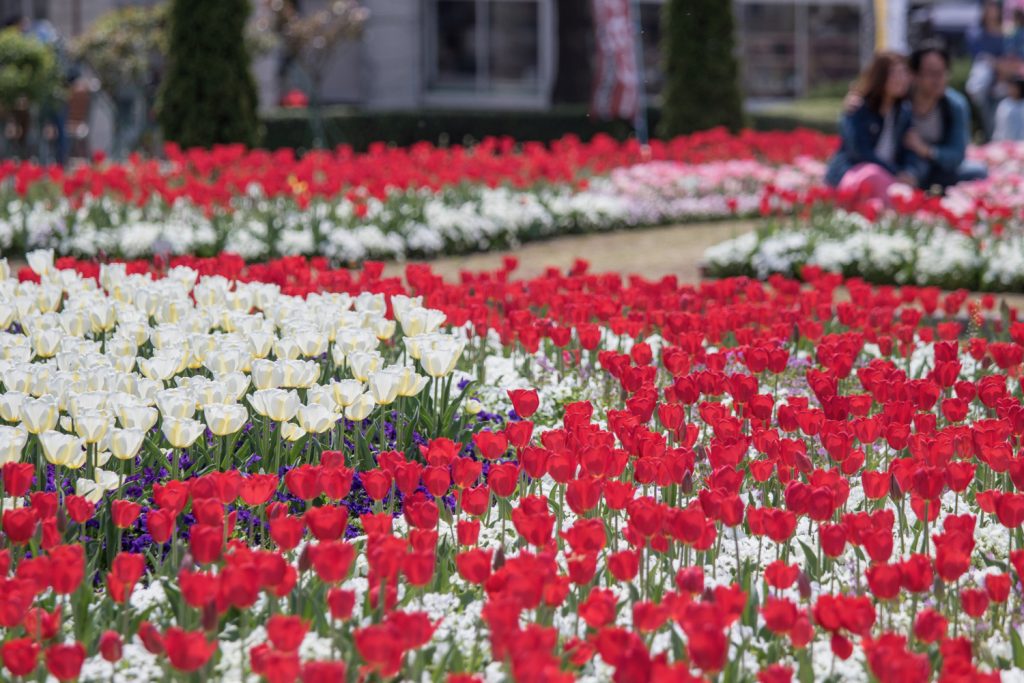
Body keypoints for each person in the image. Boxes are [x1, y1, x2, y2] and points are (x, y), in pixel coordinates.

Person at [825, 52, 924, 211]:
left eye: (904, 73)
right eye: (895, 73)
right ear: (881, 76)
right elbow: (859, 152)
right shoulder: (859, 108)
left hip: (889, 176)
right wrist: (896, 173)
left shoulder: (904, 112)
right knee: (873, 174)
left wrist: (909, 172)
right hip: (855, 174)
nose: (901, 78)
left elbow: (909, 149)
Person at [903, 42, 989, 189]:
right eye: (931, 73)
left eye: (942, 73)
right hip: (905, 168)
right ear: (915, 75)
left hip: (940, 169)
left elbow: (957, 155)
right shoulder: (901, 102)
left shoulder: (954, 105)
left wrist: (926, 150)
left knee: (977, 172)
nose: (938, 80)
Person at [966, 1, 1006, 140]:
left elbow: (1010, 62)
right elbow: (979, 59)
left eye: (993, 5)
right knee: (983, 67)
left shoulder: (1008, 33)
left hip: (1004, 81)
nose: (990, 9)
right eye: (987, 5)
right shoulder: (975, 33)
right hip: (985, 83)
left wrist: (997, 66)